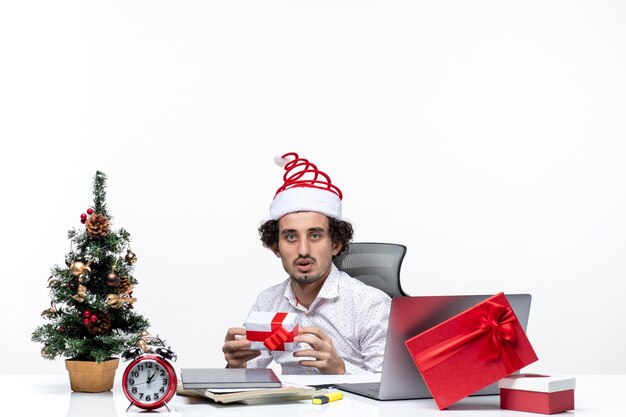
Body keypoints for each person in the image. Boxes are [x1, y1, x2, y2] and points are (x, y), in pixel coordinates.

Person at [222, 152, 391, 375]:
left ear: (336, 244)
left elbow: (389, 391)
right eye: (291, 237)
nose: (303, 250)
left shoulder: (370, 304)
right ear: (276, 246)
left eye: (315, 235)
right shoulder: (268, 302)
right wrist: (235, 364)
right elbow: (245, 376)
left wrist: (340, 370)